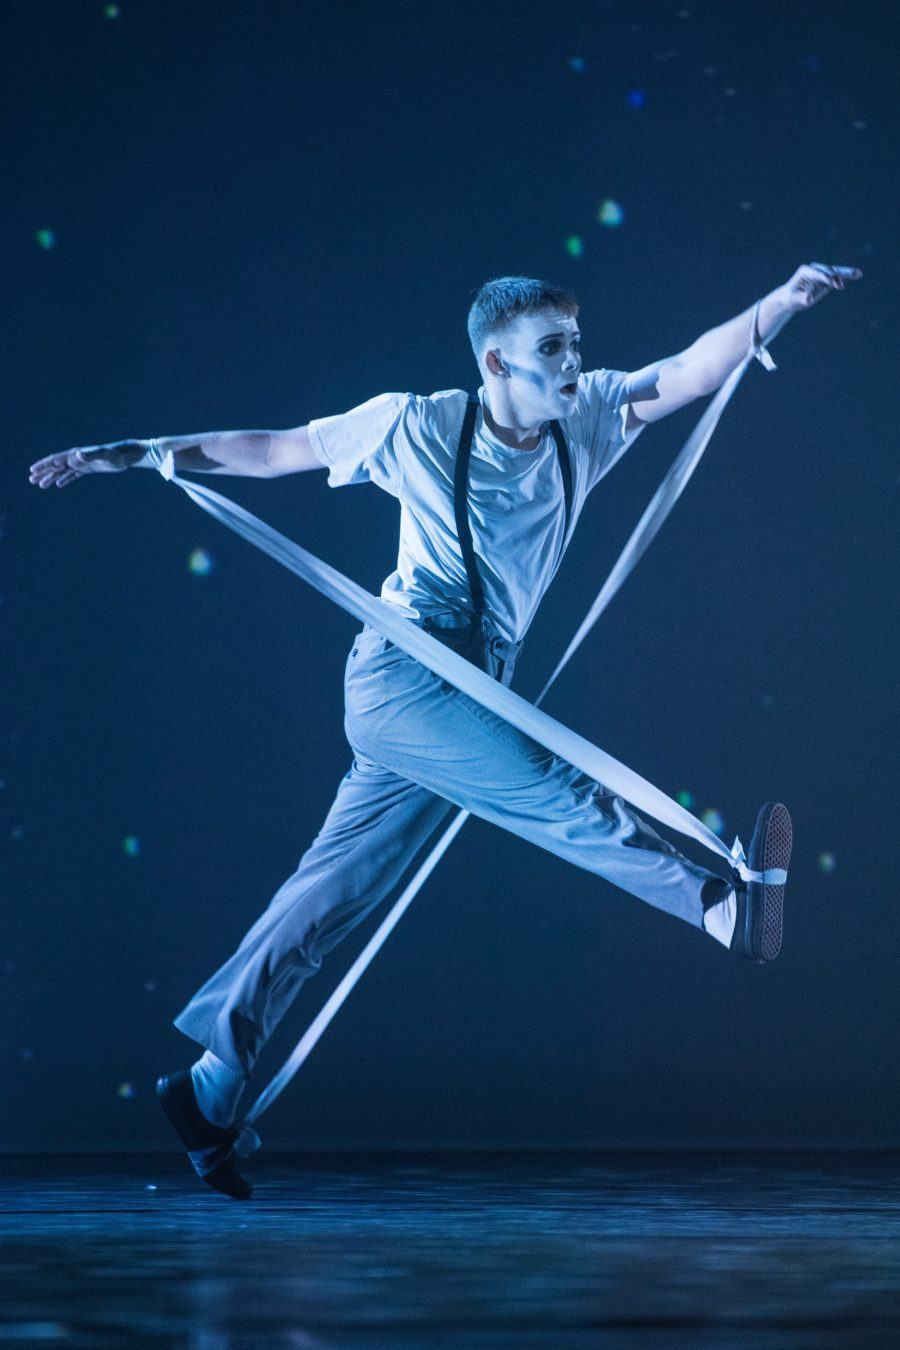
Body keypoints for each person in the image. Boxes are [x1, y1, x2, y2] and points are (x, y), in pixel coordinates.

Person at [28, 265, 859, 1199]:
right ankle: (717, 905)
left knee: (326, 897)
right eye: (554, 351)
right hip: (404, 677)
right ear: (497, 362)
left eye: (576, 346)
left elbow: (687, 371)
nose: (574, 365)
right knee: (548, 787)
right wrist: (139, 453)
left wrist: (779, 304)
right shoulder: (416, 423)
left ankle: (209, 1089)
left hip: (478, 685)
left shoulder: (584, 422)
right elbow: (274, 449)